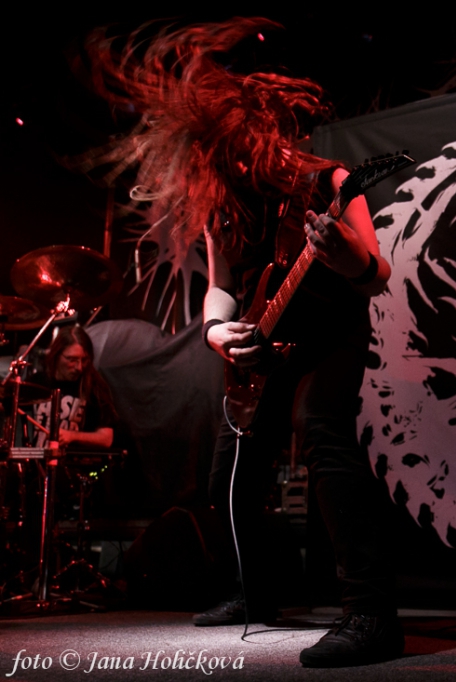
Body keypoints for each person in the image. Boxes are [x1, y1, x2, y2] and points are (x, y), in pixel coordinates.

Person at [85, 18, 402, 667]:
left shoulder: (330, 182)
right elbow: (221, 289)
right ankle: (251, 593)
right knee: (231, 467)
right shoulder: (222, 208)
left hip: (331, 336)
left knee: (321, 426)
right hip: (264, 349)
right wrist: (215, 331)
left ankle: (371, 612)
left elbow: (377, 274)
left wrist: (345, 256)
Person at [30, 325, 116, 450]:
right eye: (72, 359)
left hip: (71, 461)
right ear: (56, 354)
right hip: (33, 459)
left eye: (84, 360)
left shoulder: (94, 387)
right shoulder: (36, 382)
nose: (79, 367)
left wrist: (72, 436)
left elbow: (106, 438)